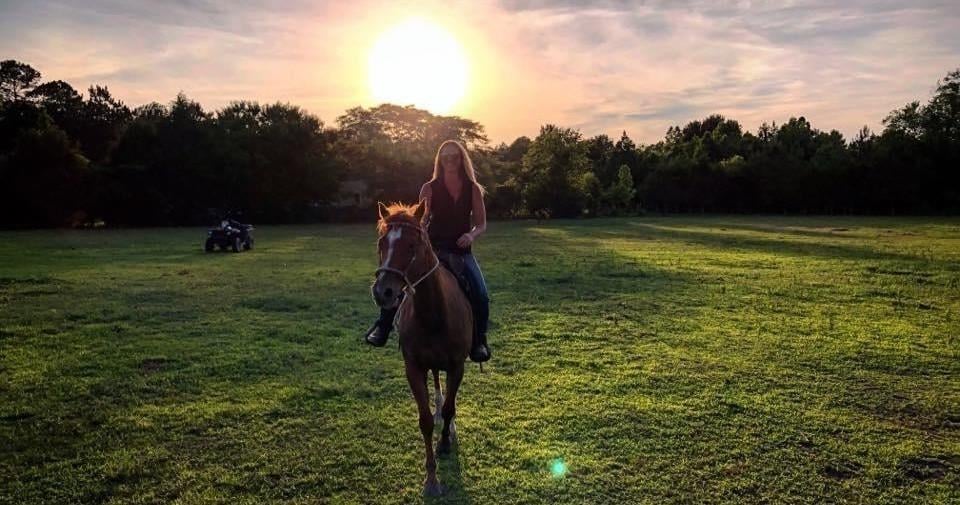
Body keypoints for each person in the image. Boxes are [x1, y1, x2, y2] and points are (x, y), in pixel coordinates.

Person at [364, 140, 491, 363]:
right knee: (400, 280)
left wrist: (471, 235)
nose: (450, 160)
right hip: (433, 250)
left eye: (454, 156)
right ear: (439, 161)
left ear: (462, 159)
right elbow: (420, 219)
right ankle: (383, 326)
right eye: (445, 157)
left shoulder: (473, 189)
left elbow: (481, 224)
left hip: (461, 252)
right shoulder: (429, 188)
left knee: (480, 293)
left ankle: (479, 341)